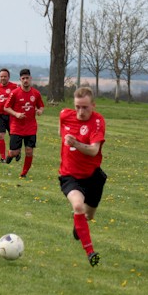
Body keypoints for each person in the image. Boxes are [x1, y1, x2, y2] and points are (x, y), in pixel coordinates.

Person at [59, 87, 106, 267]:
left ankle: (79, 224)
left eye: (85, 107)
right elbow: (60, 130)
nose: (80, 112)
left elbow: (94, 150)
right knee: (78, 206)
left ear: (93, 105)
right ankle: (90, 253)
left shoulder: (97, 121)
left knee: (88, 215)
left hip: (93, 177)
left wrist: (75, 143)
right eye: (77, 107)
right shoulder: (64, 115)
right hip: (69, 176)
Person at [3, 68, 44, 178]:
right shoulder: (15, 93)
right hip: (17, 127)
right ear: (20, 80)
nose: (25, 80)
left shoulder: (36, 93)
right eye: (23, 78)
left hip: (31, 127)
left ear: (30, 78)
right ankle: (11, 155)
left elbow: (41, 106)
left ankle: (24, 173)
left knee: (29, 151)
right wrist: (16, 114)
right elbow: (6, 107)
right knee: (13, 153)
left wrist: (40, 111)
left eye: (27, 78)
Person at [0, 68, 19, 163]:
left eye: (5, 76)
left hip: (11, 115)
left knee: (14, 137)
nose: (3, 78)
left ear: (8, 77)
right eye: (1, 76)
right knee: (0, 135)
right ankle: (2, 158)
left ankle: (16, 152)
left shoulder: (14, 87)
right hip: (0, 115)